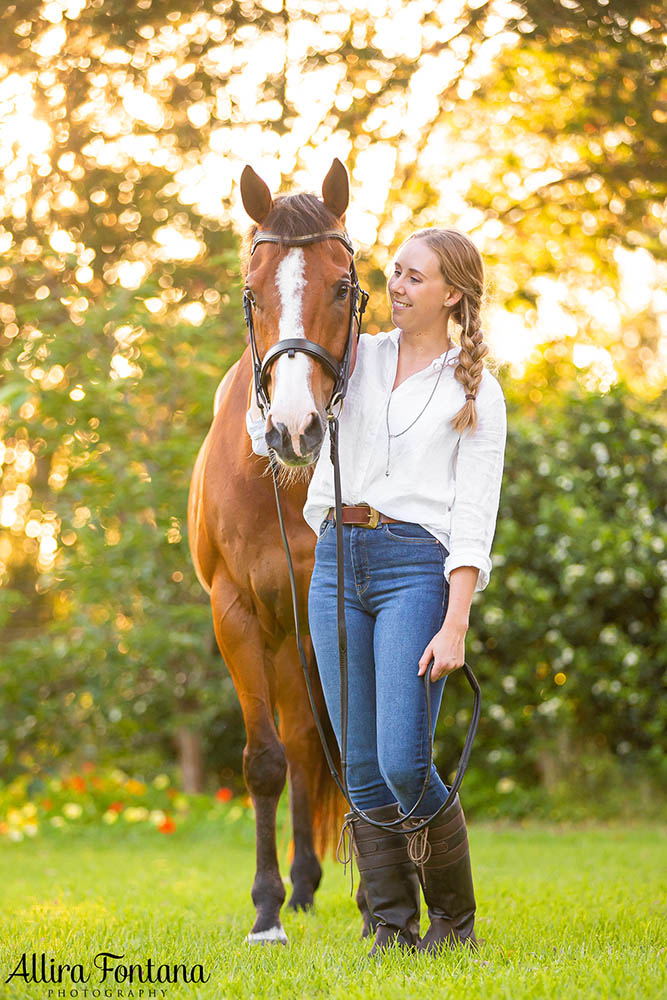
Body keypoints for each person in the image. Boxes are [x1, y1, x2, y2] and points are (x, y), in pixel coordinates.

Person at [247, 228, 507, 956]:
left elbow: (472, 519)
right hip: (336, 559)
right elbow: (274, 401)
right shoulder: (355, 359)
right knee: (355, 764)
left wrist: (454, 622)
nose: (395, 286)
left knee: (399, 760)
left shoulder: (476, 387)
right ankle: (390, 926)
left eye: (414, 278)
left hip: (412, 567)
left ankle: (454, 922)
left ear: (451, 293)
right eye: (392, 273)